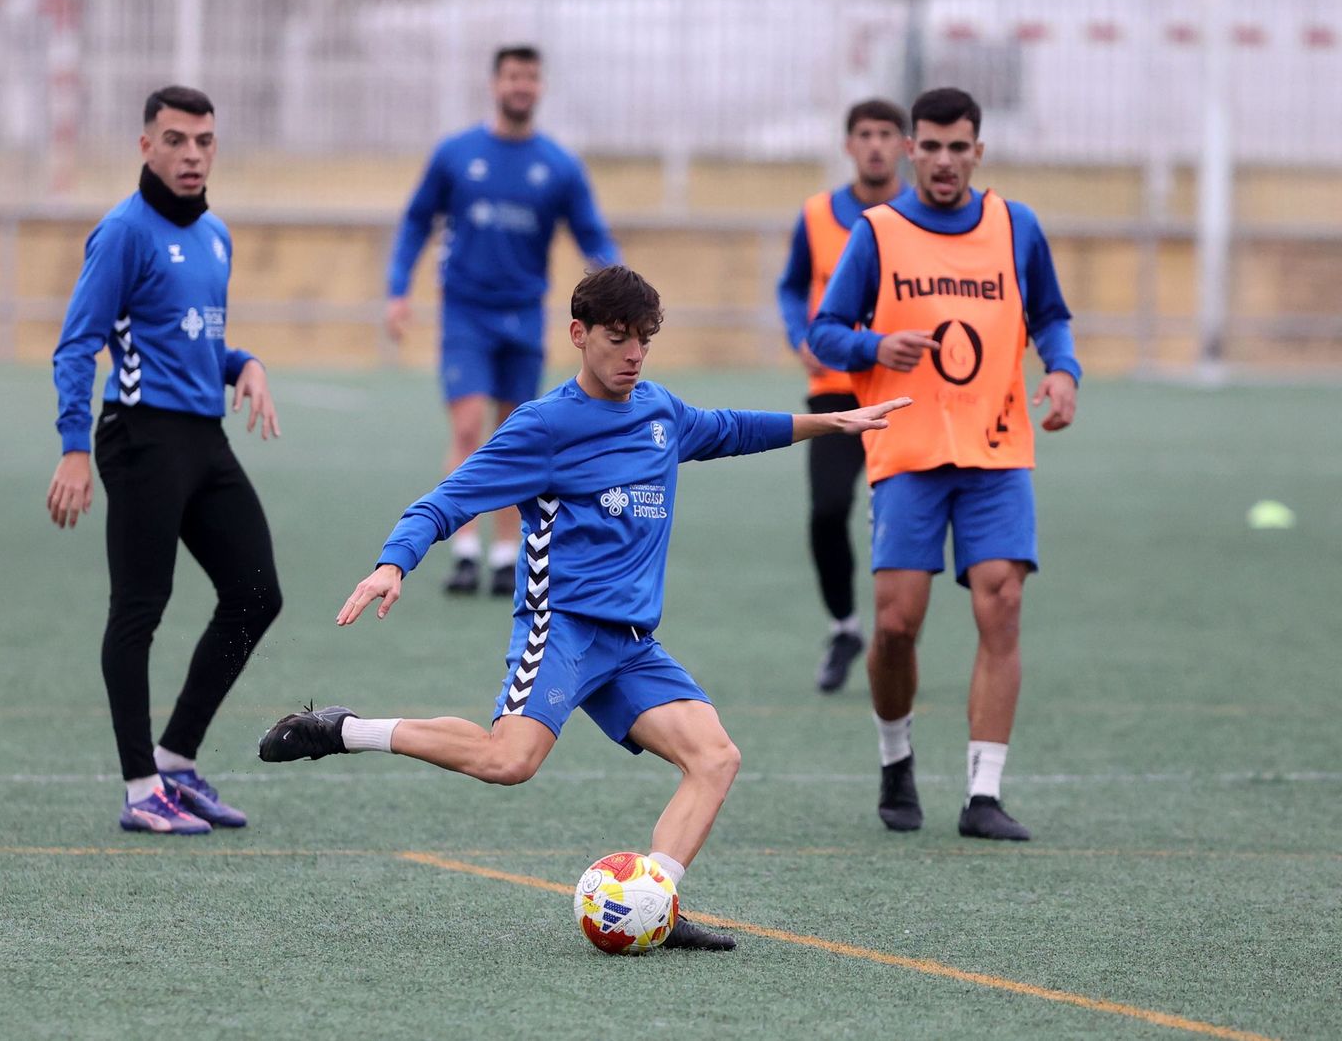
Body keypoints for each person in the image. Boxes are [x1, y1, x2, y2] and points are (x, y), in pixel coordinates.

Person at [259, 266, 909, 948]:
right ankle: (342, 729)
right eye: (617, 338)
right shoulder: (544, 427)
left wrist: (830, 421)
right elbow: (448, 499)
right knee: (509, 762)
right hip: (562, 627)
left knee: (715, 759)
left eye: (644, 342)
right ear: (579, 334)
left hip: (633, 646)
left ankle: (657, 900)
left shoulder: (660, 412)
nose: (632, 355)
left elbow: (729, 429)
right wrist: (395, 561)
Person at [807, 87, 1081, 842]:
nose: (945, 161)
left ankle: (983, 794)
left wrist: (1062, 370)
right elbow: (825, 331)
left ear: (978, 151)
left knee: (1003, 603)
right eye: (930, 146)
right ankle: (896, 761)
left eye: (959, 147)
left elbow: (1051, 315)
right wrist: (872, 347)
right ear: (909, 151)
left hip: (996, 451)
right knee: (897, 624)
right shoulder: (879, 232)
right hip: (909, 449)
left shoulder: (1015, 226)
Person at [47, 86, 283, 835]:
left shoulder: (216, 234)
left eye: (204, 141)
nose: (191, 154)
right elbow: (78, 345)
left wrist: (243, 362)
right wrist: (73, 449)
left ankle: (177, 762)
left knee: (256, 594)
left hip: (204, 438)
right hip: (140, 436)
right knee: (139, 611)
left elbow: (197, 343)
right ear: (145, 146)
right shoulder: (122, 233)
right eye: (175, 140)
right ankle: (139, 787)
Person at [384, 44, 620, 599]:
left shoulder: (558, 165)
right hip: (466, 313)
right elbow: (417, 221)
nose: (522, 86)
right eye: (513, 76)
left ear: (539, 87)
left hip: (524, 317)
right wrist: (398, 290)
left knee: (515, 434)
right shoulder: (457, 154)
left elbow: (593, 236)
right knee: (468, 428)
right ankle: (464, 551)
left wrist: (621, 287)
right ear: (496, 84)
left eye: (531, 78)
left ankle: (507, 555)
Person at [776, 98, 909, 694]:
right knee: (828, 512)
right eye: (865, 134)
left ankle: (895, 630)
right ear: (848, 144)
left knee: (899, 517)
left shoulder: (920, 215)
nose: (876, 144)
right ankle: (845, 626)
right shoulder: (816, 214)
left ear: (904, 145)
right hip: (835, 393)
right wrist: (799, 334)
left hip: (904, 393)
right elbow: (791, 285)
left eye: (887, 134)